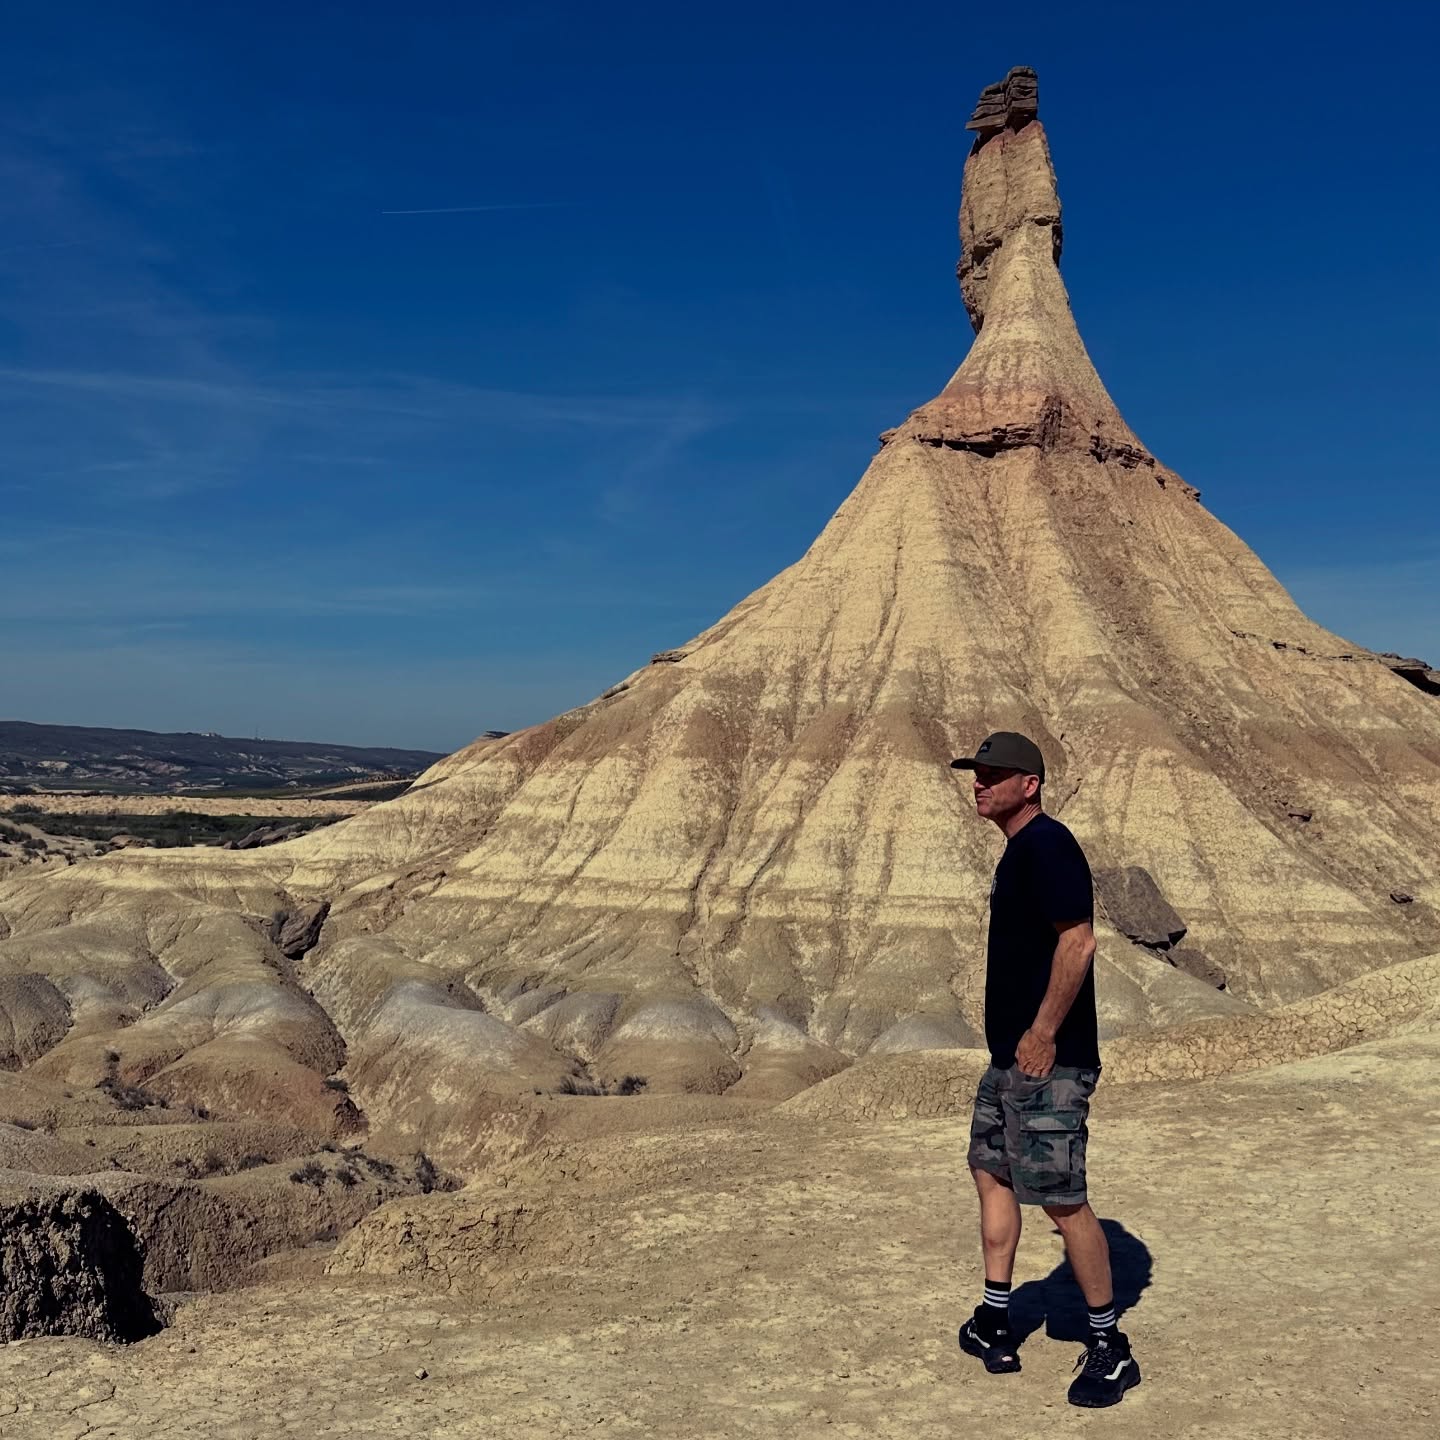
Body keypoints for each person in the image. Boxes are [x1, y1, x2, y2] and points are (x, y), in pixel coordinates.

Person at [950, 731, 1140, 1408]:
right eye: (976, 774)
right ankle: (995, 1319)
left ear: (1029, 784)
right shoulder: (1019, 851)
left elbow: (1079, 940)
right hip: (1009, 1058)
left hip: (1048, 1060)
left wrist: (1043, 1032)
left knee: (1062, 1199)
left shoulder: (1049, 845)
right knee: (991, 1169)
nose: (980, 784)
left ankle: (1110, 1347)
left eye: (994, 775)